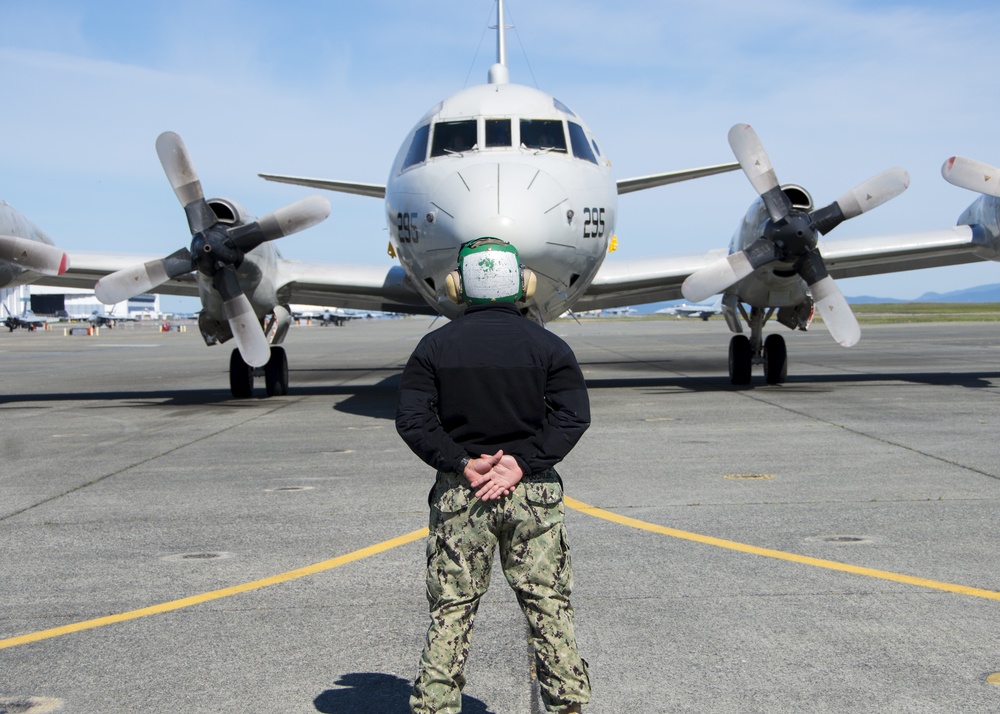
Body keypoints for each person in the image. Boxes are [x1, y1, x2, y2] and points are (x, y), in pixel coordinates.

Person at [395, 237, 591, 714]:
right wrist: (521, 462)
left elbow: (413, 420)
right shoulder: (549, 345)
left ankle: (437, 706)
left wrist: (463, 462)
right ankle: (567, 704)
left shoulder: (433, 347)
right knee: (547, 602)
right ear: (523, 284)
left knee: (453, 608)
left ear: (457, 286)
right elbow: (572, 416)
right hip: (534, 495)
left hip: (462, 494)